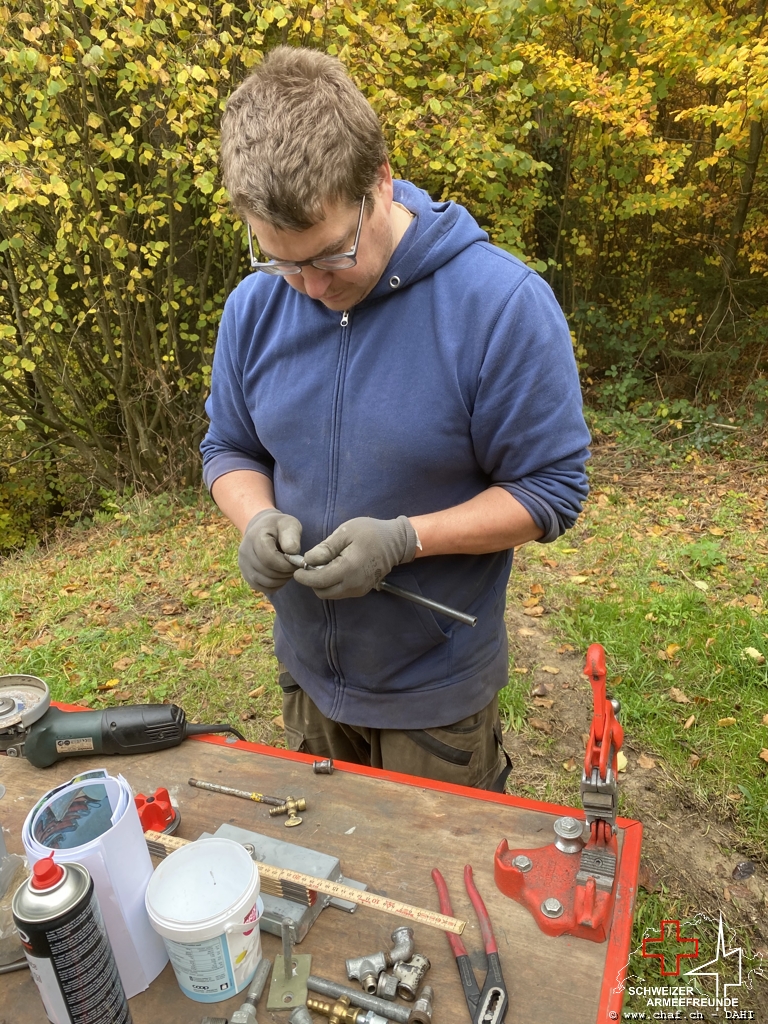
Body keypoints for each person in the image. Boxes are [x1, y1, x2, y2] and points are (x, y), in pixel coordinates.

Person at [200, 46, 590, 790]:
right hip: (307, 678)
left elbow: (551, 491)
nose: (310, 287)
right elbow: (230, 445)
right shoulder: (255, 309)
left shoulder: (499, 307)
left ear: (380, 180)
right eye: (281, 260)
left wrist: (408, 539)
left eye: (330, 254)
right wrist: (252, 517)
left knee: (436, 889)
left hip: (434, 695)